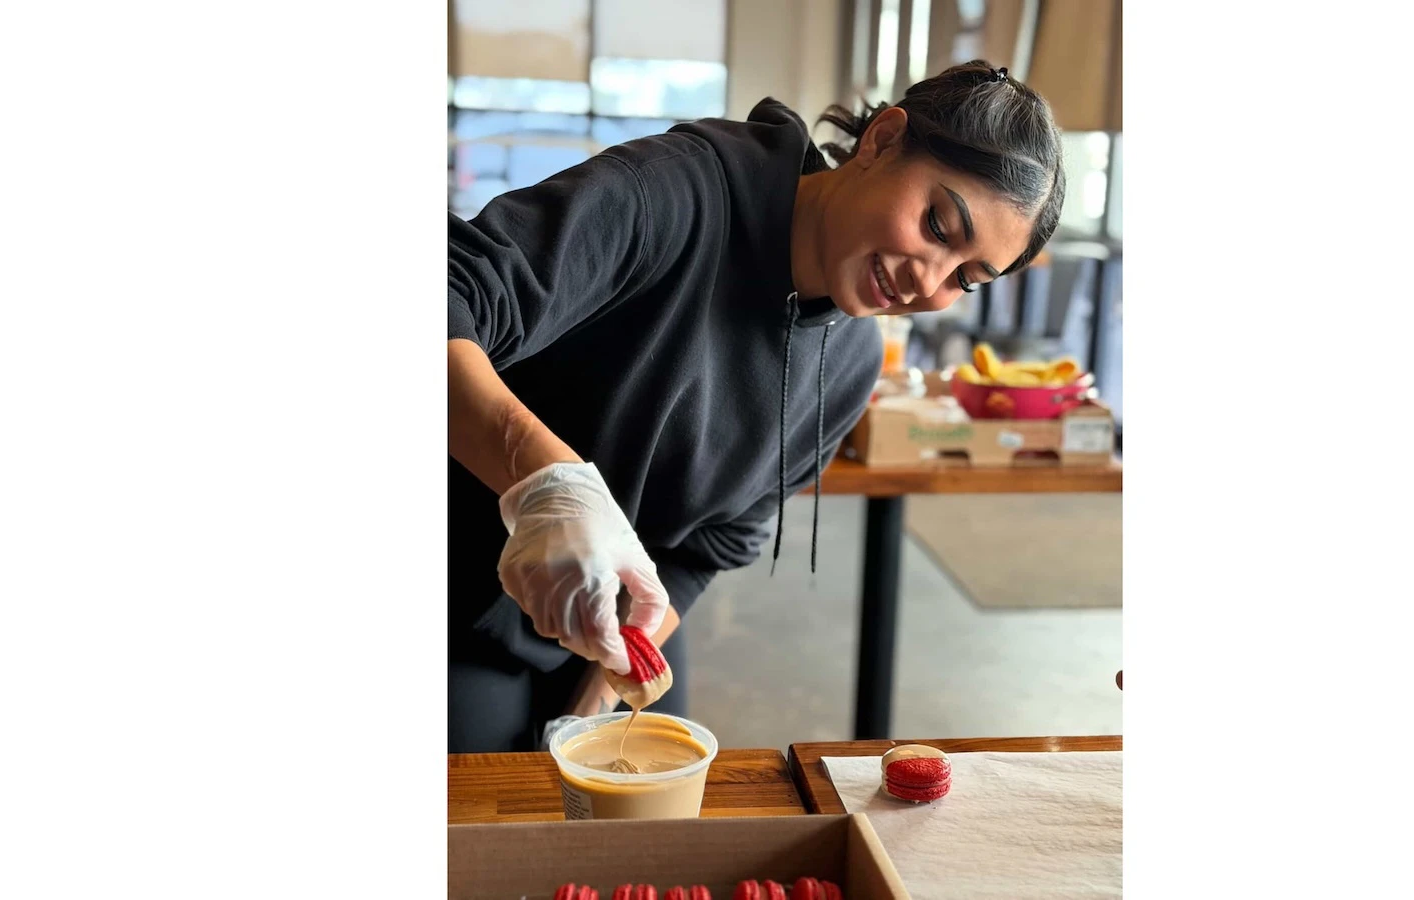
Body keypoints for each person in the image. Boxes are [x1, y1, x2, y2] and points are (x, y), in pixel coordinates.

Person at [448, 60, 1068, 752]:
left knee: (634, 826)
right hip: (459, 595)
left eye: (967, 279)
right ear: (883, 141)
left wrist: (597, 689)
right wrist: (545, 483)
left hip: (620, 622)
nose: (928, 282)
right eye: (937, 225)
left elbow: (711, 544)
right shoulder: (674, 195)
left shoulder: (852, 363)